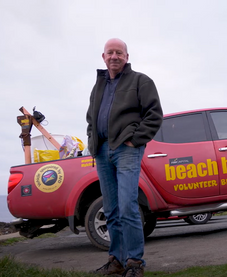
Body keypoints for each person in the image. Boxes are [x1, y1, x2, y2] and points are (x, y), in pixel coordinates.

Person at [86, 38, 163, 277]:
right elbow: (91, 118)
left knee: (128, 206)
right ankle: (116, 260)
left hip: (126, 149)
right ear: (103, 57)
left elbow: (154, 114)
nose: (114, 56)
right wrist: (92, 142)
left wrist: (135, 139)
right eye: (110, 53)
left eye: (119, 52)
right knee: (110, 208)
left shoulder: (141, 81)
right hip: (102, 151)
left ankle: (134, 263)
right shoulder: (98, 85)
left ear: (126, 57)